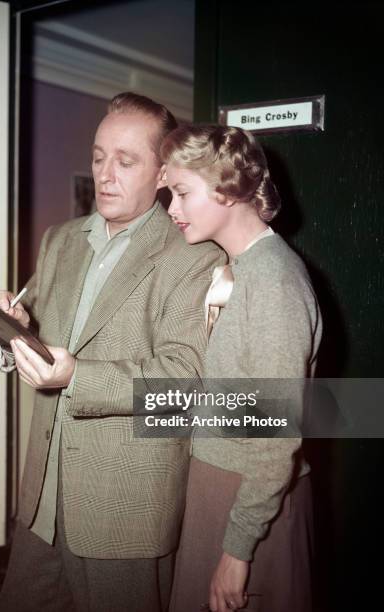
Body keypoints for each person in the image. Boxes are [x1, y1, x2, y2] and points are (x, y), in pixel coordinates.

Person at [0, 93, 221, 612]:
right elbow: (39, 332)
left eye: (125, 160)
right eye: (98, 157)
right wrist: (14, 329)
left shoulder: (194, 256)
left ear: (163, 174)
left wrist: (75, 376)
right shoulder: (61, 240)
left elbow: (185, 382)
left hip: (125, 510)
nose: (105, 174)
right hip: (42, 501)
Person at [161, 124, 322, 612]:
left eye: (182, 192)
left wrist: (237, 548)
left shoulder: (272, 280)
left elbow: (278, 437)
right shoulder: (240, 269)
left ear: (228, 188)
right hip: (222, 488)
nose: (172, 208)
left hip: (251, 503)